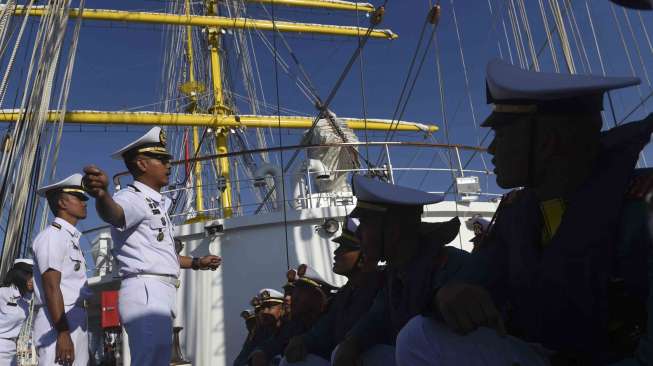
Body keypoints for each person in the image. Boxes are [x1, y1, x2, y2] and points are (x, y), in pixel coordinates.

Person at [395, 59, 653, 365]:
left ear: (546, 143)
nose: (490, 149)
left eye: (501, 135)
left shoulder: (639, 207)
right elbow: (474, 278)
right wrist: (445, 295)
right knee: (419, 336)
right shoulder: (518, 218)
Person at [81, 126, 222, 365]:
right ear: (142, 164)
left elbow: (161, 255)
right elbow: (115, 214)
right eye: (161, 159)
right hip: (146, 290)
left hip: (159, 290)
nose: (169, 165)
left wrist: (197, 263)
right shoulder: (133, 198)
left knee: (157, 360)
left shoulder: (156, 203)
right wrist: (103, 195)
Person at [332, 176, 468, 366]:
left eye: (365, 222)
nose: (358, 233)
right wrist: (352, 342)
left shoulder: (452, 265)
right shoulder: (396, 275)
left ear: (393, 229)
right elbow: (376, 318)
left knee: (414, 335)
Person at [283, 217, 384, 366]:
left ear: (364, 255)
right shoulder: (345, 293)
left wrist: (353, 342)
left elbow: (376, 320)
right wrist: (304, 340)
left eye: (344, 248)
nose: (336, 252)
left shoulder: (382, 283)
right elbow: (326, 326)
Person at [32, 174, 92, 366]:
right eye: (79, 198)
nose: (85, 202)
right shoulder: (52, 237)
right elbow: (51, 287)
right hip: (58, 321)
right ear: (62, 203)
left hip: (74, 318)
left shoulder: (69, 238)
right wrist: (63, 333)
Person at [250, 267, 333, 366]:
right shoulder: (296, 323)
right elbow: (275, 343)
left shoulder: (331, 314)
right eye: (294, 292)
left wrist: (303, 342)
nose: (292, 298)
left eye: (300, 292)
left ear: (317, 296)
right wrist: (260, 352)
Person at [233, 289, 286, 366]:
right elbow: (239, 361)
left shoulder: (288, 330)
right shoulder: (260, 333)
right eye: (263, 308)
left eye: (270, 307)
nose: (265, 311)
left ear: (282, 309)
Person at [0, 259, 33, 366]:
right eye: (29, 275)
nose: (32, 280)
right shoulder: (2, 293)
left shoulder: (25, 300)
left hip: (12, 350)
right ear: (20, 275)